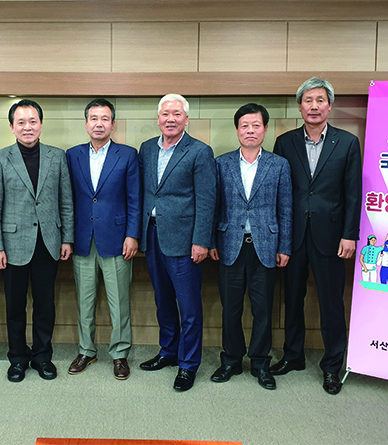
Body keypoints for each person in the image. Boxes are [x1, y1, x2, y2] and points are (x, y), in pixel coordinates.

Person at [270, 77, 362, 395]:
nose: (314, 106)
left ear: (329, 106)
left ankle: (332, 366)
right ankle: (293, 356)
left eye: (320, 100)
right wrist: (279, 235)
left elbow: (353, 193)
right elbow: (279, 193)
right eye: (308, 100)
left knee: (331, 303)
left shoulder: (347, 143)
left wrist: (349, 235)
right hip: (293, 235)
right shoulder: (284, 142)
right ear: (300, 107)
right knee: (292, 299)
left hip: (332, 237)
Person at [0, 100, 74, 382]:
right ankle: (17, 358)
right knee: (15, 306)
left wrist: (67, 238)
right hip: (12, 245)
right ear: (12, 127)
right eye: (21, 122)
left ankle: (42, 356)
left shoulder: (56, 156)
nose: (27, 127)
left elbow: (66, 201)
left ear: (41, 124)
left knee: (45, 305)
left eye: (32, 121)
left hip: (48, 242)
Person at [209, 103, 292, 391]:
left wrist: (285, 246)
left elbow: (285, 208)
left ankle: (260, 363)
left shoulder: (279, 165)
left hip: (266, 246)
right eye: (244, 126)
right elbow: (213, 206)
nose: (250, 131)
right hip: (229, 244)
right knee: (230, 309)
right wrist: (210, 241)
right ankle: (231, 360)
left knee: (263, 309)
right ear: (237, 130)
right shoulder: (221, 163)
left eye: (256, 125)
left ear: (265, 129)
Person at [138, 93, 217, 392]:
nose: (170, 119)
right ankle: (168, 351)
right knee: (163, 301)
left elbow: (207, 200)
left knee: (189, 307)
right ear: (158, 118)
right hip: (153, 236)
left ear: (186, 119)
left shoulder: (199, 151)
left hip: (185, 241)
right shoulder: (147, 148)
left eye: (176, 114)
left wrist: (201, 241)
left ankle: (188, 364)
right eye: (165, 114)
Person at [65, 99, 141, 380]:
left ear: (113, 124)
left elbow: (135, 198)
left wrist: (132, 234)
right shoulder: (72, 155)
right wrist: (67, 237)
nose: (99, 124)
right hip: (82, 239)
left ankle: (120, 354)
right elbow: (67, 199)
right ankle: (86, 350)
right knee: (84, 302)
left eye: (105, 119)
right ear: (86, 123)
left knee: (119, 302)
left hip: (118, 239)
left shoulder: (128, 155)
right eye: (94, 118)